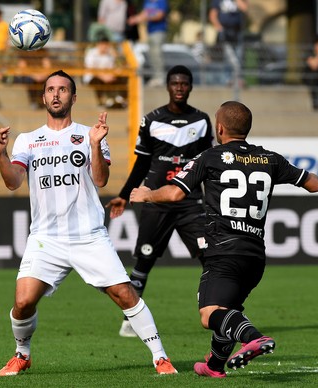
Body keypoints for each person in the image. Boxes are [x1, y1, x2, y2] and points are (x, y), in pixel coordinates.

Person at [0, 69, 178, 376]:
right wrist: (1, 154)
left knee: (125, 294)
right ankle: (22, 354)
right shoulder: (28, 140)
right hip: (45, 238)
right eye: (50, 89)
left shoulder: (89, 135)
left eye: (62, 89)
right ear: (43, 97)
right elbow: (13, 182)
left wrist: (94, 144)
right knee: (23, 302)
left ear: (73, 97)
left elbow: (101, 180)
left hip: (87, 235)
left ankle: (160, 357)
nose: (55, 94)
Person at [130, 101, 318, 378]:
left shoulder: (210, 157)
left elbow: (174, 194)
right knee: (228, 310)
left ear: (219, 128)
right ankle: (214, 365)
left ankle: (254, 338)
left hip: (223, 251)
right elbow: (313, 184)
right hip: (255, 255)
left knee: (209, 314)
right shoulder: (270, 159)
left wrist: (146, 194)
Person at [105, 65, 213, 337]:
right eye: (175, 83)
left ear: (190, 87)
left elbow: (208, 165)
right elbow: (141, 163)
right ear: (167, 86)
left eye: (184, 83)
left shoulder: (201, 121)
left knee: (210, 256)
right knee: (144, 260)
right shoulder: (151, 120)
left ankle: (220, 310)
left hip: (190, 201)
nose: (179, 87)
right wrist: (124, 193)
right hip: (156, 199)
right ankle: (131, 320)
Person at [127, 0, 169, 87]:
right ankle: (155, 76)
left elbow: (159, 15)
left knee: (157, 54)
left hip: (159, 31)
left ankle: (160, 77)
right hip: (150, 32)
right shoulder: (147, 2)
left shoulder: (161, 1)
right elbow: (144, 13)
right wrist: (135, 18)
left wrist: (144, 18)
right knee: (152, 54)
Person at [209, 0, 248, 85]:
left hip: (237, 31)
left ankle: (238, 79)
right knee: (229, 57)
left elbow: (244, 8)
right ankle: (228, 79)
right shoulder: (218, 1)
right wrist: (219, 27)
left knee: (239, 55)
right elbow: (213, 15)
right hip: (225, 33)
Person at [83, 35, 127, 109]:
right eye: (102, 44)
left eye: (106, 44)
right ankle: (101, 102)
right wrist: (103, 77)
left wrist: (116, 56)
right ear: (98, 44)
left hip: (107, 75)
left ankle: (120, 99)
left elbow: (116, 67)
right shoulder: (91, 53)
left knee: (122, 79)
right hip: (93, 77)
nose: (104, 46)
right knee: (98, 82)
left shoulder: (110, 54)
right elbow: (91, 69)